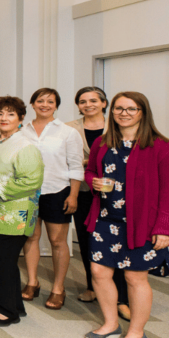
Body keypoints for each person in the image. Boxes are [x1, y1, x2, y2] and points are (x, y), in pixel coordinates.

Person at [84, 91, 169, 338]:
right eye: (118, 108)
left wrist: (164, 228)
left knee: (135, 278)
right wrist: (92, 181)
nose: (123, 113)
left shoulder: (162, 147)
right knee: (99, 272)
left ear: (142, 113)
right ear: (111, 111)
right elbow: (91, 169)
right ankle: (110, 324)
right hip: (106, 220)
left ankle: (137, 333)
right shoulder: (102, 143)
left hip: (142, 225)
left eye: (131, 109)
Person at [0, 96, 44, 326]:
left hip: (14, 213)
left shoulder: (25, 145)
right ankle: (12, 304)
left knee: (1, 260)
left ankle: (7, 312)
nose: (4, 118)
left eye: (11, 114)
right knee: (2, 260)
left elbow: (31, 181)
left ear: (21, 118)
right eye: (1, 113)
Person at [67, 87, 129, 316]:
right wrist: (85, 163)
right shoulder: (69, 128)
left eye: (94, 100)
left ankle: (122, 297)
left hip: (116, 195)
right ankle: (92, 286)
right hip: (84, 191)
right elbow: (66, 159)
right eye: (82, 101)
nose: (88, 104)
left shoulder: (119, 125)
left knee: (117, 242)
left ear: (104, 103)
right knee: (87, 241)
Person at [21, 88, 84, 310]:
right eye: (40, 100)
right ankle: (32, 282)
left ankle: (58, 288)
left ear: (56, 105)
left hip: (57, 191)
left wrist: (74, 195)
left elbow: (76, 166)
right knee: (30, 238)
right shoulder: (22, 131)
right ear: (33, 104)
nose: (45, 104)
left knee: (58, 241)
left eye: (50, 101)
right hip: (27, 191)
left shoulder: (67, 132)